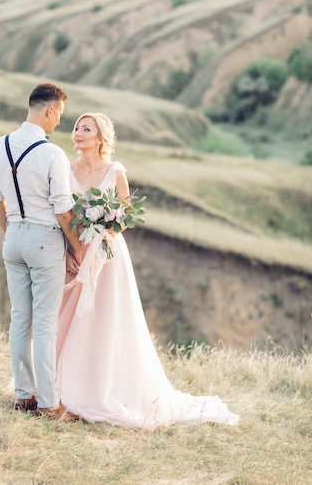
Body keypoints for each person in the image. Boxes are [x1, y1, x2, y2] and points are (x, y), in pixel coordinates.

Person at [56, 112, 239, 429]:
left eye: (86, 129)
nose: (78, 133)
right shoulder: (65, 171)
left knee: (105, 319)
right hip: (76, 254)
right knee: (68, 318)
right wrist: (71, 251)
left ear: (101, 138)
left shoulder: (115, 172)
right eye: (76, 127)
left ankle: (102, 388)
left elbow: (124, 218)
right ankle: (58, 386)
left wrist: (104, 234)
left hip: (108, 256)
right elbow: (63, 215)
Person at [0, 83, 82, 423]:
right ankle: (50, 404)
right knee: (44, 323)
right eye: (60, 115)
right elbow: (63, 210)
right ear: (50, 110)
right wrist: (77, 248)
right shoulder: (52, 154)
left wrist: (13, 230)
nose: (59, 122)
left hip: (13, 236)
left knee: (20, 319)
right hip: (45, 239)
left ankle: (24, 396)